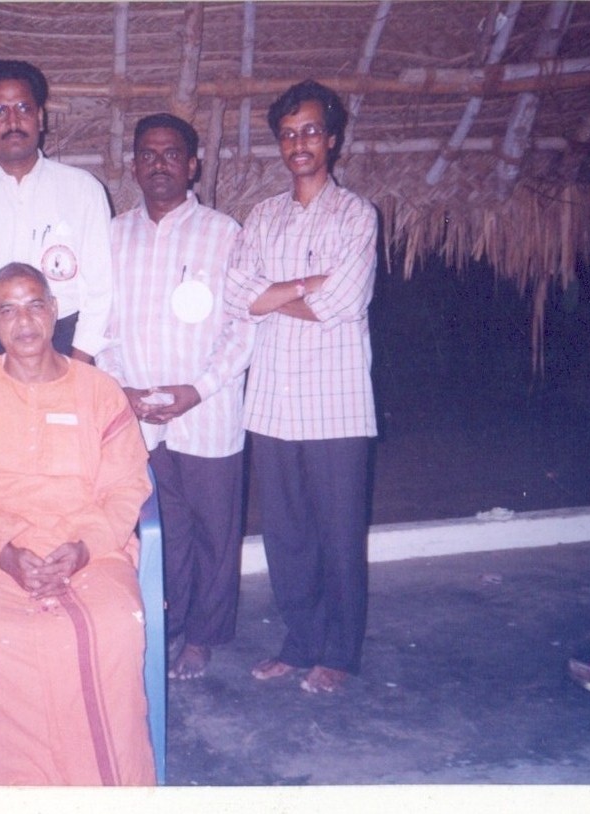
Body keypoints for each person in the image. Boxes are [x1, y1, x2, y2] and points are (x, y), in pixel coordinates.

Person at [0, 262, 155, 785]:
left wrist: (84, 546)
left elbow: (128, 487)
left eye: (34, 304)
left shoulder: (100, 390)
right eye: (7, 309)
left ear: (55, 311)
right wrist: (5, 551)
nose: (23, 320)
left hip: (91, 549)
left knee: (112, 628)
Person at [225, 80, 378, 694]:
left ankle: (339, 651)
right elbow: (234, 295)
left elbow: (341, 303)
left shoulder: (357, 215)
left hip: (336, 407)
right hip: (270, 407)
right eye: (288, 134)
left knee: (339, 536)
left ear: (332, 138)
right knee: (286, 538)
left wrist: (273, 295)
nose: (299, 143)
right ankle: (300, 641)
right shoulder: (261, 216)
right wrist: (305, 284)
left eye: (310, 130)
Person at [97, 113, 252, 680]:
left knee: (215, 530)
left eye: (171, 154)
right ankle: (166, 623)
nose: (159, 163)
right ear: (134, 164)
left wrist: (199, 389)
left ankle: (204, 636)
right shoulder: (112, 236)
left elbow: (244, 327)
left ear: (193, 164)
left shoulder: (226, 233)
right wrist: (124, 389)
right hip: (138, 416)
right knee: (162, 529)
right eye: (148, 154)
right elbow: (101, 327)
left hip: (207, 413)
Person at [0, 59, 112, 364]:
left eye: (24, 108)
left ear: (40, 118)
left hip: (67, 342)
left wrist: (78, 365)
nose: (13, 121)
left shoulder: (83, 190)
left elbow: (101, 288)